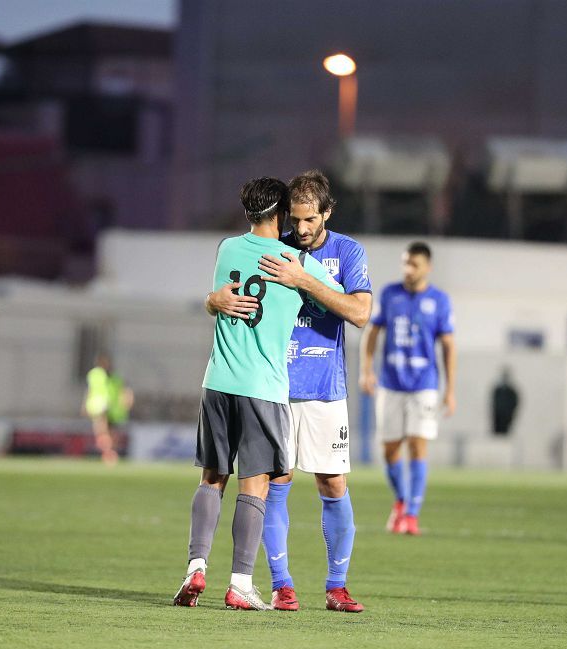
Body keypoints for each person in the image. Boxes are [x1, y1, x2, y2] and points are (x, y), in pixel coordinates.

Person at [173, 177, 342, 611]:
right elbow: (347, 305)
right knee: (257, 484)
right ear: (282, 211)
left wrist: (213, 301)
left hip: (217, 383)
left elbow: (215, 299)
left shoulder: (226, 249)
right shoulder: (294, 263)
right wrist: (304, 277)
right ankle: (240, 583)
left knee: (212, 477)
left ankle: (195, 567)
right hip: (262, 388)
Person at [206, 170, 370, 612]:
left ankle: (336, 586)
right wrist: (213, 300)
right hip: (274, 388)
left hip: (324, 389)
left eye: (309, 220)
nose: (300, 229)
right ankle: (282, 585)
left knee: (333, 483)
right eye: (294, 220)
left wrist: (304, 281)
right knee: (275, 483)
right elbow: (231, 289)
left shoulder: (347, 251)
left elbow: (359, 312)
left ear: (327, 213)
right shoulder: (276, 247)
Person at [360, 242, 456, 536]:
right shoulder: (390, 295)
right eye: (405, 263)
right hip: (391, 383)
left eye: (414, 264)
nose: (408, 270)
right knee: (389, 450)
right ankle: (402, 500)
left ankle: (412, 514)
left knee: (417, 444)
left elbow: (448, 346)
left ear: (427, 267)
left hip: (424, 384)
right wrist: (366, 370)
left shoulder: (439, 300)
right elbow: (372, 332)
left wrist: (450, 389)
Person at [84, 354, 133, 465]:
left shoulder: (115, 377)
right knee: (102, 430)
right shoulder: (95, 375)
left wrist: (126, 399)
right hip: (99, 407)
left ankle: (109, 452)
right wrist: (86, 405)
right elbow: (90, 390)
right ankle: (108, 453)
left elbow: (123, 389)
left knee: (112, 434)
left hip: (114, 410)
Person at [492, 366, 520, 435]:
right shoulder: (498, 390)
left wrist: (509, 412)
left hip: (506, 416)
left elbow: (514, 402)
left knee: (505, 431)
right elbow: (494, 402)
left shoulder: (511, 391)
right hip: (498, 415)